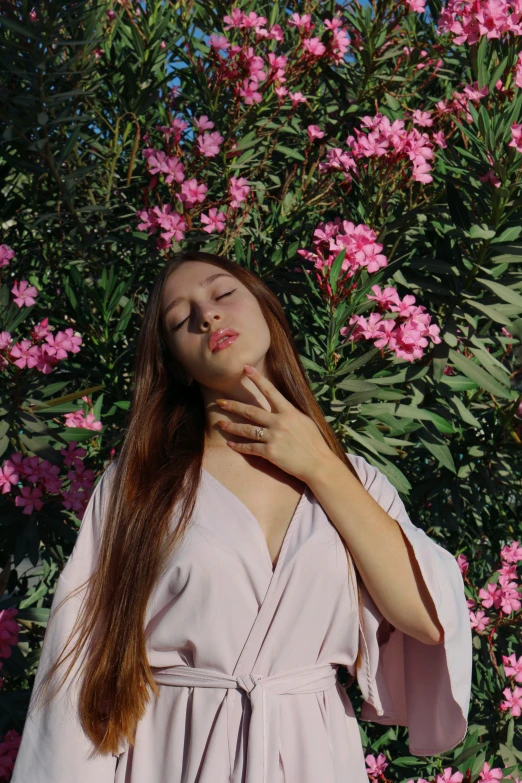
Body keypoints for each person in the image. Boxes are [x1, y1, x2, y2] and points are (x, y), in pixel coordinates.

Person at [11, 251, 472, 783]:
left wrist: (319, 465)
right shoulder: (139, 487)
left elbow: (426, 619)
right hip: (175, 754)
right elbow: (81, 666)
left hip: (311, 753)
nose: (206, 315)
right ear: (177, 365)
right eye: (181, 318)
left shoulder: (356, 482)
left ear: (266, 310)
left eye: (222, 293)